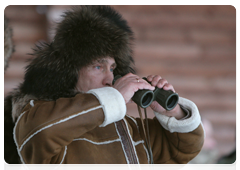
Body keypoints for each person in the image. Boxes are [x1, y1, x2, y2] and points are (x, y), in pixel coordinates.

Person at [5, 5, 204, 170]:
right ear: (71, 71)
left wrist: (173, 112)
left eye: (113, 68)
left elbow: (182, 150)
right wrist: (112, 98)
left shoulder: (129, 127)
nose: (110, 78)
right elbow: (40, 132)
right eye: (98, 66)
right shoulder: (40, 114)